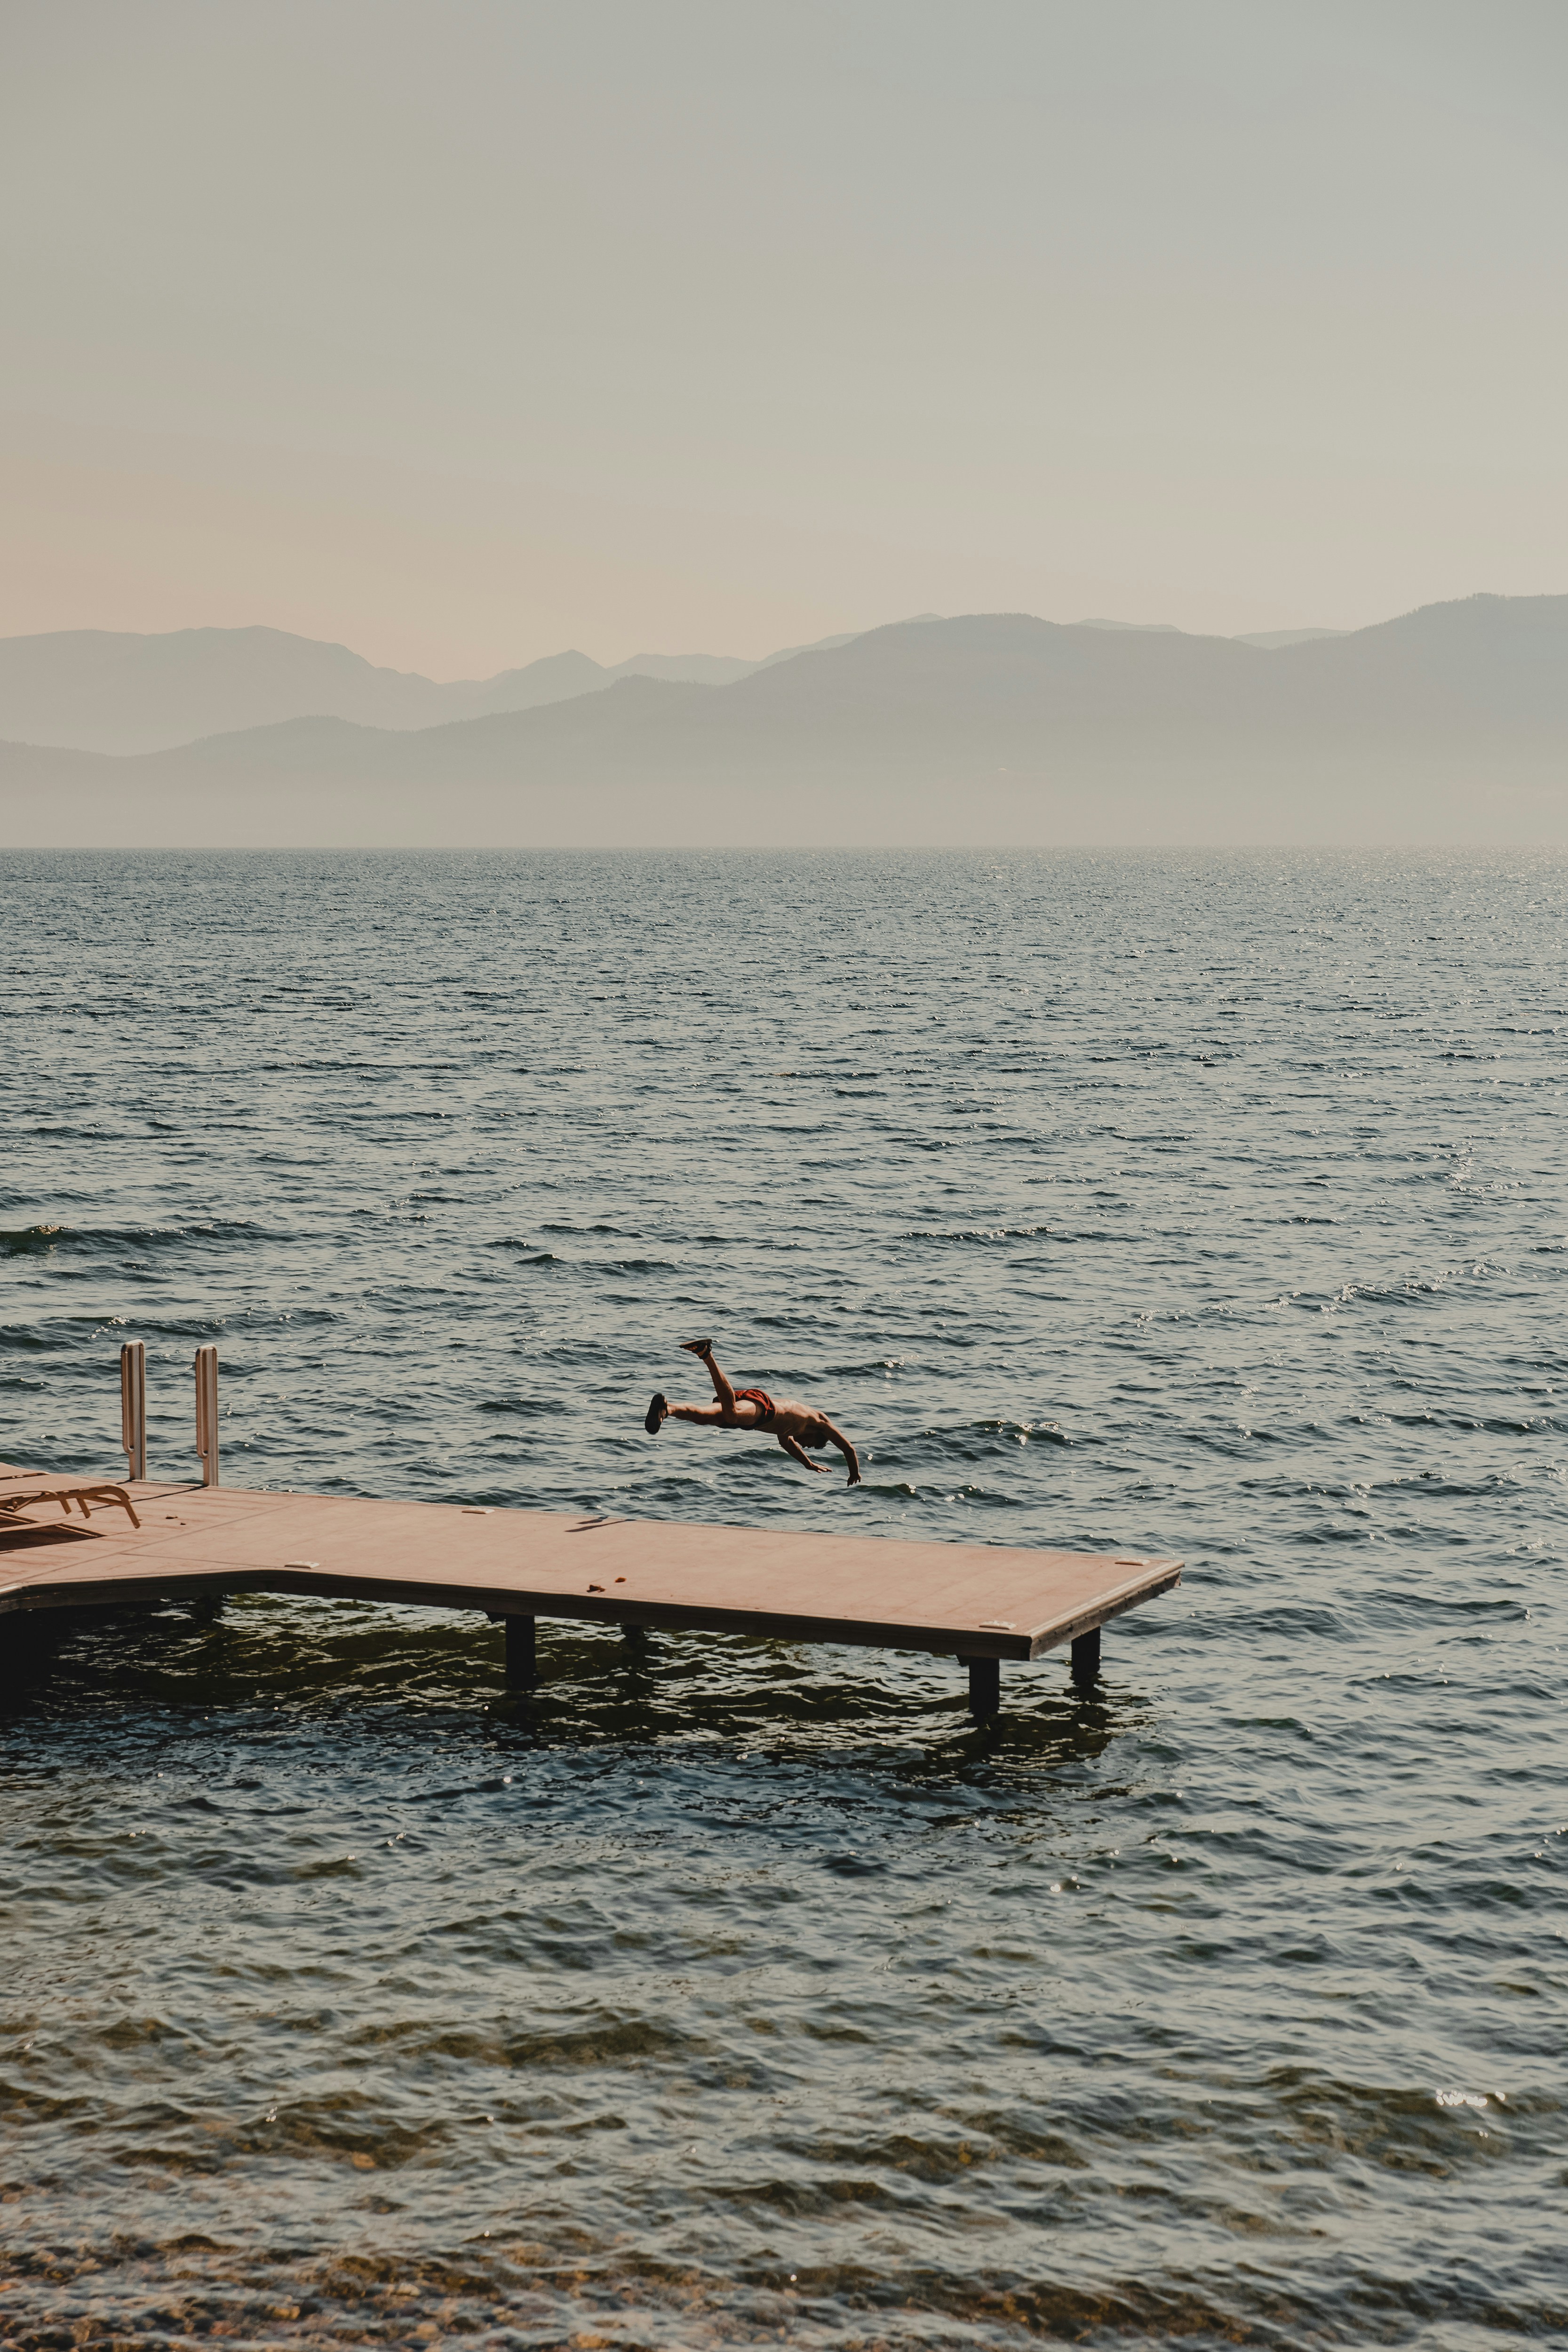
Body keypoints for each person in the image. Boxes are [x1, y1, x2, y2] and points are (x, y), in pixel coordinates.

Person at [645, 1339, 861, 1484]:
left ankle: (667, 1409)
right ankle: (706, 1354)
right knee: (732, 1415)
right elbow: (848, 1449)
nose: (805, 1445)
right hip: (763, 1407)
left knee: (703, 1417)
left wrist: (809, 1464)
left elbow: (787, 1444)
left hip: (754, 1415)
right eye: (811, 1444)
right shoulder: (818, 1421)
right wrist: (854, 1473)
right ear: (819, 1435)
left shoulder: (788, 1432)